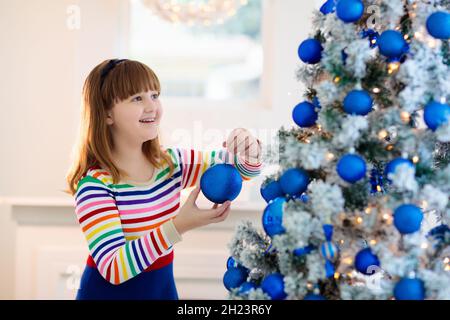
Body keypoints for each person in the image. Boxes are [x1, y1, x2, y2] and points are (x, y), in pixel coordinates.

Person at [65, 59, 263, 300]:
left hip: (160, 291)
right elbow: (113, 268)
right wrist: (179, 225)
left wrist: (249, 148)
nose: (152, 106)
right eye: (137, 98)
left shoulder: (171, 164)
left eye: (154, 95)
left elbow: (240, 169)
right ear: (107, 113)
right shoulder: (95, 186)